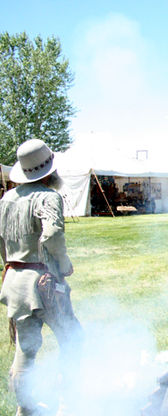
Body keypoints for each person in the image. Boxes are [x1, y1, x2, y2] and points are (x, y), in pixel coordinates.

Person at [0, 139, 82, 415]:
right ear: (49, 171)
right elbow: (53, 234)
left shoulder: (7, 198)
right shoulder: (49, 197)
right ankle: (68, 404)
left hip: (14, 280)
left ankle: (26, 409)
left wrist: (11, 264)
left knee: (26, 349)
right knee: (74, 339)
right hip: (43, 281)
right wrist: (63, 261)